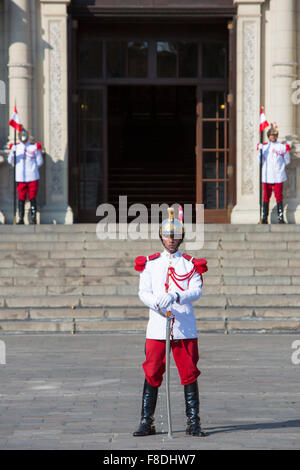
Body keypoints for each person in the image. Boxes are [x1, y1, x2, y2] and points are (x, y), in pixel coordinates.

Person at [133, 207, 207, 437]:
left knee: (189, 371)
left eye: (175, 236)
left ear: (181, 237)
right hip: (157, 325)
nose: (171, 240)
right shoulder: (150, 263)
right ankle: (147, 420)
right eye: (167, 236)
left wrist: (177, 296)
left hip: (183, 326)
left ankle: (193, 421)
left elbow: (196, 290)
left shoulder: (189, 263)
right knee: (152, 370)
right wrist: (157, 303)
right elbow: (143, 292)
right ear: (161, 237)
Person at [8, 127, 43, 224]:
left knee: (32, 197)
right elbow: (10, 161)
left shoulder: (34, 147)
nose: (23, 137)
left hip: (32, 176)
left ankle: (33, 218)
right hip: (20, 177)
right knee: (21, 197)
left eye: (24, 135)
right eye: (21, 135)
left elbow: (40, 161)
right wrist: (12, 153)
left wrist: (33, 168)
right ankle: (21, 218)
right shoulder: (16, 147)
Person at [258, 123, 291, 224]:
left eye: (275, 135)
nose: (273, 137)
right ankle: (264, 217)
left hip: (278, 175)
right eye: (271, 135)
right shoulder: (264, 147)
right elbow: (260, 161)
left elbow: (287, 160)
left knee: (279, 196)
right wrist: (259, 152)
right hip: (267, 175)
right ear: (268, 136)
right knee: (266, 197)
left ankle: (280, 217)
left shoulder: (282, 147)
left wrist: (279, 167)